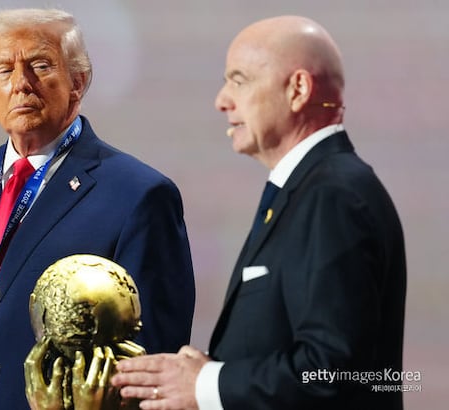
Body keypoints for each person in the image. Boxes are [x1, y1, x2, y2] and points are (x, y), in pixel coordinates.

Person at [0, 8, 195, 410]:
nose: (21, 83)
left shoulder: (139, 195)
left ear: (78, 81)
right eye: (4, 70)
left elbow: (148, 362)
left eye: (39, 65)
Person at [111, 15, 406, 410]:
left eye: (239, 80)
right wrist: (212, 371)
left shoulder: (332, 195)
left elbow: (332, 371)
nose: (222, 100)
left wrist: (207, 384)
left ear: (298, 89)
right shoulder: (310, 188)